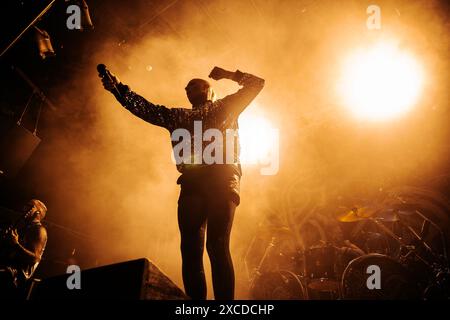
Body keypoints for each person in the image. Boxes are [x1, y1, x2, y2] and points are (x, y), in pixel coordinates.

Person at [100, 66, 264, 299]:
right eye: (187, 87)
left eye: (195, 84)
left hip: (223, 176)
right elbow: (145, 109)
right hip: (192, 181)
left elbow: (257, 83)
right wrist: (118, 89)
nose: (189, 88)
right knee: (190, 249)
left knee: (216, 245)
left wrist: (229, 74)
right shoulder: (178, 116)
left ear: (209, 90)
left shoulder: (226, 106)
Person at [0, 199, 48, 298]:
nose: (24, 208)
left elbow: (35, 258)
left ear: (37, 212)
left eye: (30, 206)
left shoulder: (40, 231)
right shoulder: (25, 228)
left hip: (15, 277)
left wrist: (16, 244)